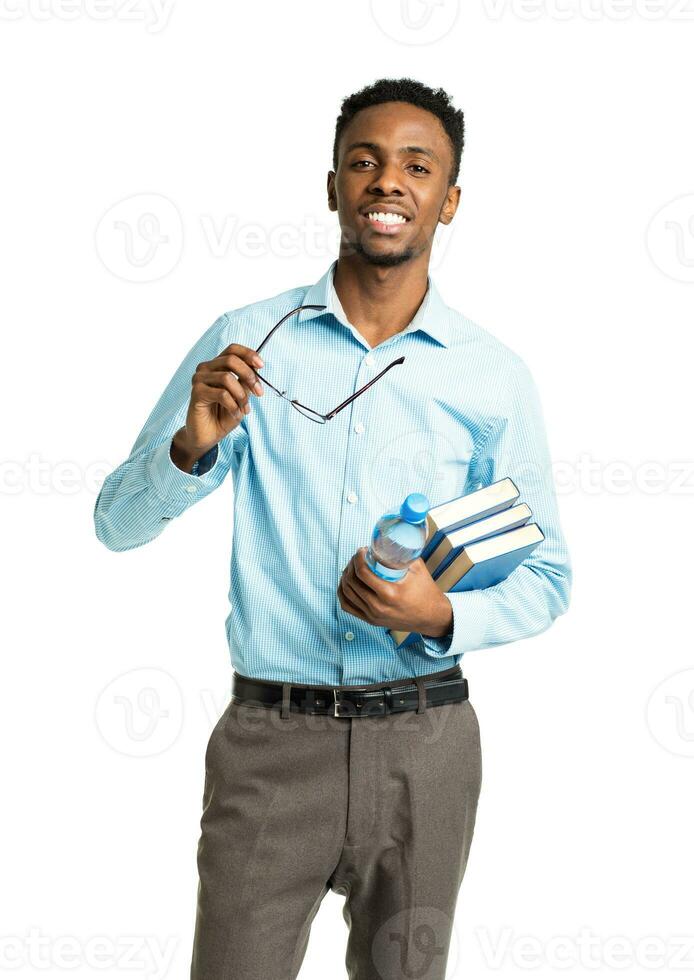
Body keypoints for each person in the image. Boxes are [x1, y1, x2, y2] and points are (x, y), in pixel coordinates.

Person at [94, 77, 572, 980]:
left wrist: (437, 614)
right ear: (333, 187)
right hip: (271, 744)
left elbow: (549, 577)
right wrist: (189, 451)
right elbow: (114, 526)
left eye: (417, 167)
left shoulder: (492, 375)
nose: (388, 182)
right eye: (366, 161)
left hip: (427, 748)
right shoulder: (247, 343)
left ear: (450, 199)